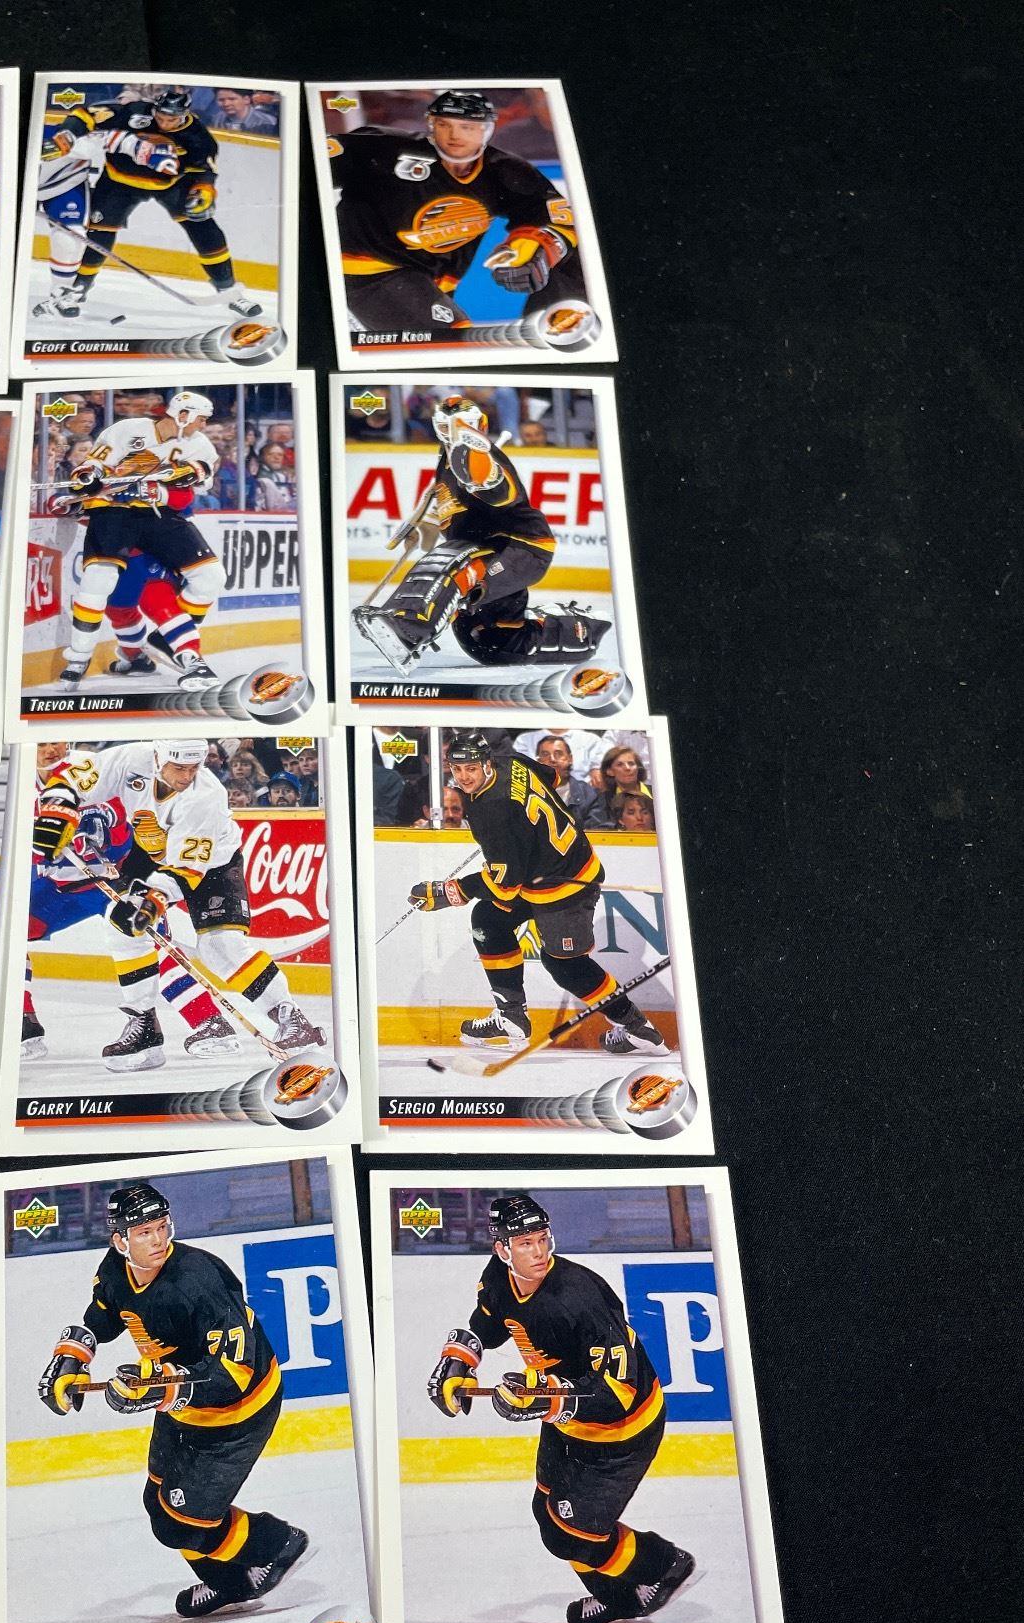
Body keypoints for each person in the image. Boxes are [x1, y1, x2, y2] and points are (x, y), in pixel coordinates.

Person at [37, 1182, 308, 1618]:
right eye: (144, 1232)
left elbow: (233, 1374)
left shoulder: (198, 1280)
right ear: (120, 1241)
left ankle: (276, 1543)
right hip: (181, 1405)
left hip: (238, 1413)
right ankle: (230, 1584)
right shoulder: (115, 1270)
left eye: (162, 1227)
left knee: (179, 1523)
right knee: (158, 1503)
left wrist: (162, 1386)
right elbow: (105, 1314)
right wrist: (73, 1356)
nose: (158, 1239)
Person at [427, 1193, 694, 1623]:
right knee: (546, 1510)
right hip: (566, 1420)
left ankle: (663, 1563)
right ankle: (618, 1598)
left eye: (542, 1238)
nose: (538, 1251)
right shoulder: (499, 1278)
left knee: (566, 1533)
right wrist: (460, 1360)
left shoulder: (579, 1296)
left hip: (621, 1431)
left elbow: (619, 1391)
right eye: (525, 1243)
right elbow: (489, 1324)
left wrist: (548, 1397)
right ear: (502, 1250)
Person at [36, 739, 326, 1070]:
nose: (187, 777)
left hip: (213, 864)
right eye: (179, 768)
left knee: (221, 947)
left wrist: (152, 903)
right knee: (121, 927)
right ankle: (144, 1025)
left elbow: (186, 868)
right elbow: (71, 780)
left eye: (193, 768)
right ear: (158, 757)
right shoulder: (130, 758)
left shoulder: (207, 795)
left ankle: (292, 1018)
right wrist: (57, 811)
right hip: (151, 854)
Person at [406, 734, 665, 1052]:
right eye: (457, 769)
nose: (464, 777)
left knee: (564, 964)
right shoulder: (511, 761)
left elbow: (505, 885)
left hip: (566, 886)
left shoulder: (492, 811)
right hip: (541, 875)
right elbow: (552, 777)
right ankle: (511, 1016)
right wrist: (522, 833)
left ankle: (637, 1028)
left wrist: (452, 890)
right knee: (489, 919)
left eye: (471, 768)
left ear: (486, 763)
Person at [354, 395, 608, 673]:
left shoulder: (484, 457)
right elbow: (448, 501)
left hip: (521, 547)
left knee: (456, 566)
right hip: (485, 548)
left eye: (461, 426)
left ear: (479, 426)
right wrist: (427, 523)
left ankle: (408, 629)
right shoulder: (446, 458)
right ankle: (578, 630)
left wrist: (483, 476)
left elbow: (500, 492)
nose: (453, 433)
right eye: (447, 427)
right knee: (490, 640)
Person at [22, 741, 238, 1066]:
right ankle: (25, 1025)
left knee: (149, 941)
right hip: (60, 887)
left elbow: (134, 819)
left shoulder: (89, 768)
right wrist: (42, 845)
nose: (50, 749)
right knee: (10, 935)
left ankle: (209, 1022)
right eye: (42, 743)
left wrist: (98, 837)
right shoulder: (21, 784)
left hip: (116, 878)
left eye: (56, 740)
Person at [327, 90, 586, 339]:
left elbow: (553, 214)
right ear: (431, 124)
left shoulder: (503, 171)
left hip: (431, 283)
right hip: (364, 272)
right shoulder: (386, 148)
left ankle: (553, 332)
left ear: (487, 130)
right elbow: (316, 159)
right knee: (452, 341)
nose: (455, 136)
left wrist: (536, 247)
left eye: (467, 127)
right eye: (444, 125)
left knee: (574, 255)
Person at [32, 86, 262, 324]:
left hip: (171, 185)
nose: (164, 123)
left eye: (171, 120)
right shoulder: (134, 112)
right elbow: (86, 114)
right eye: (160, 116)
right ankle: (76, 290)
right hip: (118, 183)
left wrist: (203, 191)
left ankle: (229, 291)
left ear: (185, 115)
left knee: (205, 229)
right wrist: (68, 134)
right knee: (98, 234)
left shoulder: (198, 136)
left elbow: (204, 171)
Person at [54, 390, 224, 689]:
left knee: (211, 576)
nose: (203, 425)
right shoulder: (128, 429)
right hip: (113, 512)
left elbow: (200, 478)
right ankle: (78, 658)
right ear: (183, 415)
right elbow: (93, 465)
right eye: (201, 419)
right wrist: (87, 478)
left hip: (157, 515)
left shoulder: (199, 444)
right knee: (98, 580)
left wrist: (175, 480)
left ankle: (164, 641)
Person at [208, 89, 279, 135]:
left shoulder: (268, 123)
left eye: (232, 99)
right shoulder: (217, 119)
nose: (226, 104)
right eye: (221, 100)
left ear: (246, 100)